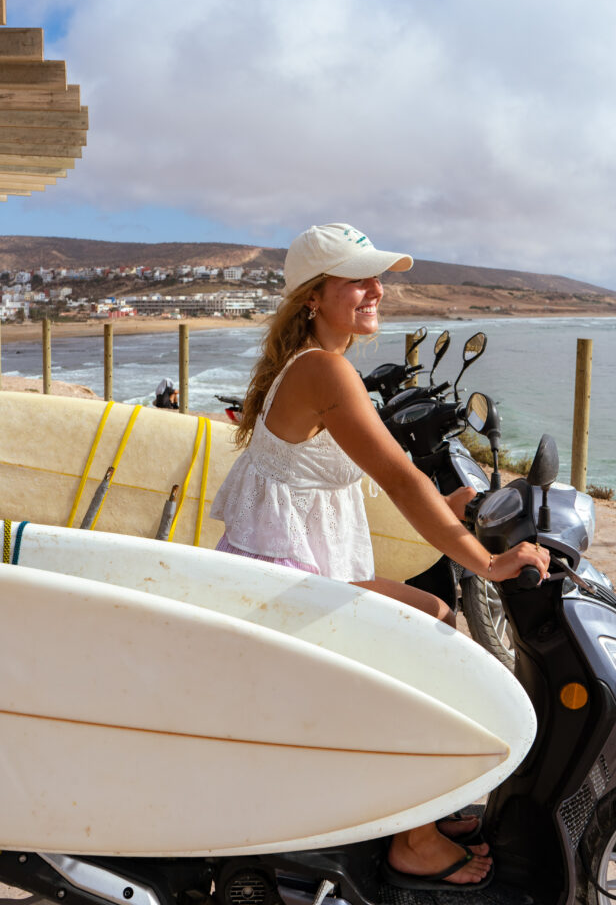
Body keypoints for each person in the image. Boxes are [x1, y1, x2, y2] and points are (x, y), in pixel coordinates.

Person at [210, 223, 550, 889]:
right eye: (357, 280)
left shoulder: (312, 362)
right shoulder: (324, 368)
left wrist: (450, 507)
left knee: (429, 615)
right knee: (428, 633)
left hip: (283, 571)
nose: (376, 290)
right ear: (313, 295)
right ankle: (411, 841)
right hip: (283, 583)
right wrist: (485, 562)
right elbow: (398, 477)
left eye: (376, 278)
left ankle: (423, 807)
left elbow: (334, 478)